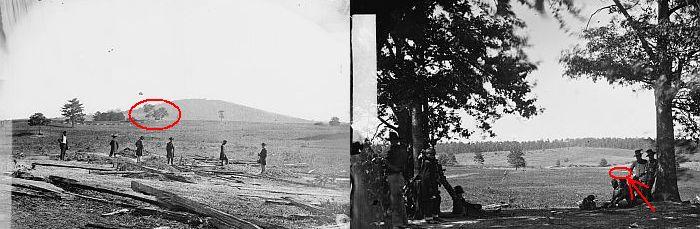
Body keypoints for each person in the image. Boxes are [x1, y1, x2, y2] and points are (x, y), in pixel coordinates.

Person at [385, 132, 407, 226]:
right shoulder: (402, 150)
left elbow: (389, 164)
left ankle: (397, 223)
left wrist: (385, 162)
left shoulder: (392, 151)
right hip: (400, 175)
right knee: (400, 198)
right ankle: (404, 221)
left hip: (393, 175)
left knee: (394, 200)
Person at [418, 148, 442, 223]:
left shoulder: (432, 162)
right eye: (430, 154)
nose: (432, 156)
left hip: (433, 184)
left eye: (433, 154)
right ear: (427, 155)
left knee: (437, 199)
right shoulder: (427, 163)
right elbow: (426, 176)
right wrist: (430, 187)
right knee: (428, 201)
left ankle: (435, 216)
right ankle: (429, 218)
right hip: (427, 185)